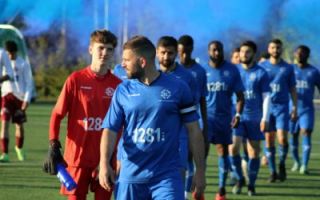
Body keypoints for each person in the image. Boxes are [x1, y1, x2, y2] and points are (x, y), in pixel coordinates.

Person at [98, 35, 206, 200]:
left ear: (142, 62)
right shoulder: (122, 90)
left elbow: (194, 131)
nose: (122, 64)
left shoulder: (178, 87)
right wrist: (104, 163)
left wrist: (200, 171)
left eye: (127, 60)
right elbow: (110, 129)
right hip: (130, 177)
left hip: (167, 177)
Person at [42, 29, 121, 200]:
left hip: (106, 160)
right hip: (77, 160)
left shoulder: (118, 85)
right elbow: (57, 114)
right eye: (101, 48)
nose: (105, 53)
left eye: (109, 49)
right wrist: (53, 144)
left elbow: (122, 125)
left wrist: (114, 159)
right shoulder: (75, 80)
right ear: (90, 49)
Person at [156, 36, 200, 199]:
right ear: (156, 52)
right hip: (153, 135)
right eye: (162, 53)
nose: (166, 57)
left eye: (170, 53)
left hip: (179, 135)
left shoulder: (187, 77)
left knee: (177, 176)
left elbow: (191, 109)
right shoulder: (150, 73)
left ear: (177, 53)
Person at [203, 40, 245, 200]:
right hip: (206, 119)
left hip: (224, 118)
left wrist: (238, 115)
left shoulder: (231, 70)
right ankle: (199, 185)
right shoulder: (202, 71)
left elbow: (240, 96)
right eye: (213, 50)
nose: (216, 53)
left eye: (219, 50)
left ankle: (221, 190)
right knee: (202, 153)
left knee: (223, 151)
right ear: (208, 52)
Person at [230, 41, 271, 196]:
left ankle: (251, 185)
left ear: (253, 53)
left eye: (247, 52)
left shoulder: (261, 73)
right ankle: (240, 178)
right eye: (241, 52)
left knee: (254, 152)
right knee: (233, 148)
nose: (243, 55)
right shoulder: (234, 71)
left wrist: (265, 118)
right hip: (237, 117)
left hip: (255, 118)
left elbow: (267, 97)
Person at [260, 38, 297, 182]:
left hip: (282, 107)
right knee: (269, 140)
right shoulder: (261, 66)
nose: (276, 50)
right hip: (267, 108)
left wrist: (294, 107)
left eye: (278, 48)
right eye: (273, 47)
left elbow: (293, 89)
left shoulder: (288, 68)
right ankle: (273, 171)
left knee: (282, 138)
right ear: (269, 49)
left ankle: (281, 164)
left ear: (281, 49)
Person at [178, 34, 208, 199]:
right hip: (176, 121)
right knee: (181, 158)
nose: (183, 56)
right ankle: (185, 192)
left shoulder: (199, 71)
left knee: (189, 154)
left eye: (186, 52)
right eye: (180, 52)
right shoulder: (169, 71)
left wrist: (205, 124)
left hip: (193, 118)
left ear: (191, 50)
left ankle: (187, 192)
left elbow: (202, 99)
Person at [0, 41, 33, 162]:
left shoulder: (23, 64)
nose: (9, 56)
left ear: (15, 52)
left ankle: (19, 148)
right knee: (4, 123)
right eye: (7, 54)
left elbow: (29, 84)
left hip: (19, 99)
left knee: (19, 126)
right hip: (6, 97)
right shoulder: (3, 63)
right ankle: (5, 154)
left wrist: (27, 99)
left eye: (11, 53)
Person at [289, 45, 320, 174]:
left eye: (303, 53)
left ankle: (305, 165)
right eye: (298, 53)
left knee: (306, 132)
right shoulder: (289, 70)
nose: (300, 55)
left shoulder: (313, 72)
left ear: (307, 55)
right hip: (291, 109)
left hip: (307, 109)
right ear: (294, 54)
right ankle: (297, 161)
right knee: (293, 136)